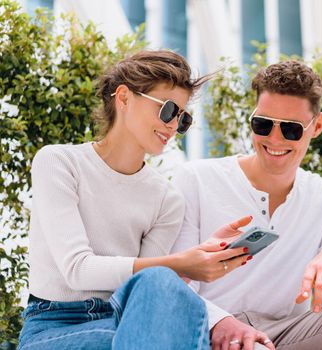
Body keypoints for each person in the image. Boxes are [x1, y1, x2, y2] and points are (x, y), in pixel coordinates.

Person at [18, 50, 253, 350]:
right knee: (155, 303)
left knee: (161, 289)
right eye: (168, 110)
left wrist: (195, 259)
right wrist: (180, 264)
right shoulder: (59, 162)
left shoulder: (166, 200)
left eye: (182, 119)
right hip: (54, 326)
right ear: (124, 98)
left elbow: (142, 286)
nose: (173, 125)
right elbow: (78, 270)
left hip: (125, 317)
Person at [172, 60, 322, 350]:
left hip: (288, 335)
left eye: (291, 130)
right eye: (262, 124)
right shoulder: (196, 179)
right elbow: (177, 284)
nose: (274, 139)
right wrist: (218, 322)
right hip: (209, 331)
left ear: (317, 126)